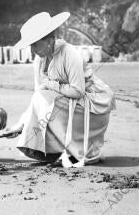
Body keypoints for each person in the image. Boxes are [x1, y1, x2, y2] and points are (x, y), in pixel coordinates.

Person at [7, 12, 116, 167]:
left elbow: (78, 91)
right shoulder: (39, 61)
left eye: (36, 44)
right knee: (42, 98)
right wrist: (20, 124)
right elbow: (37, 97)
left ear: (50, 40)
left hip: (91, 107)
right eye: (32, 45)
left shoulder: (69, 54)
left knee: (47, 99)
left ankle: (77, 152)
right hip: (67, 104)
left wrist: (53, 85)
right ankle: (56, 150)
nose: (33, 50)